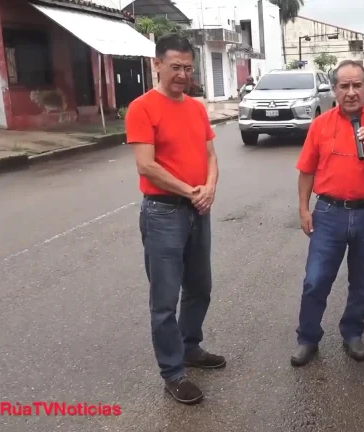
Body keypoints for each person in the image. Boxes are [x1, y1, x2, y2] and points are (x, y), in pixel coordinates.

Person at [125, 33, 224, 405]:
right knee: (164, 301)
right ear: (157, 64)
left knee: (200, 288)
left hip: (198, 209)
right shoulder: (143, 108)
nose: (182, 74)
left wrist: (209, 187)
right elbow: (146, 166)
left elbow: (211, 155)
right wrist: (191, 190)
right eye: (175, 67)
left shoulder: (196, 108)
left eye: (188, 68)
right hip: (164, 212)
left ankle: (190, 347)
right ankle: (173, 372)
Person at [291, 60, 364, 367]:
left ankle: (353, 333)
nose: (351, 92)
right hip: (329, 213)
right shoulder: (321, 124)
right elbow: (306, 171)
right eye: (344, 86)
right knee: (316, 280)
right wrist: (304, 209)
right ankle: (307, 338)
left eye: (357, 85)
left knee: (363, 281)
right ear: (335, 90)